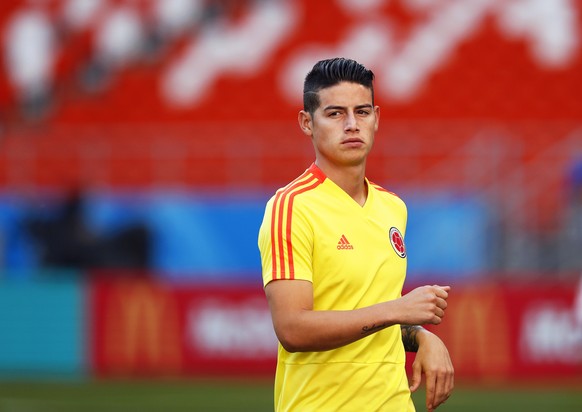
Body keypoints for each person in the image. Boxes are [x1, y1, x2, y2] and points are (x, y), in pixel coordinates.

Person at [257, 57, 454, 411]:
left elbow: (371, 314)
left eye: (362, 112)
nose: (351, 124)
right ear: (307, 122)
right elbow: (292, 329)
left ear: (376, 117)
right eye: (334, 114)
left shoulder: (393, 207)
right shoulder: (291, 207)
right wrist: (399, 310)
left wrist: (421, 337)